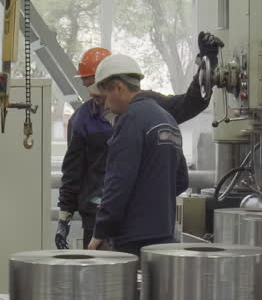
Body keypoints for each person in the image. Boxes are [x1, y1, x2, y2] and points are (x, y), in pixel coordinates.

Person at [56, 32, 221, 248]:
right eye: (89, 86)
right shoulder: (82, 119)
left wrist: (207, 61)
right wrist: (64, 216)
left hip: (127, 226)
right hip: (101, 218)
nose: (93, 95)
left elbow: (191, 103)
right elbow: (73, 171)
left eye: (97, 87)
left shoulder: (144, 111)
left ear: (114, 83)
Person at [86, 54, 188, 256]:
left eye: (105, 97)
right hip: (165, 236)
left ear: (118, 87)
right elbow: (182, 180)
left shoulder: (130, 119)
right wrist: (153, 199)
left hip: (133, 239)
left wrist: (101, 230)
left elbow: (119, 181)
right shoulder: (167, 118)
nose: (105, 106)